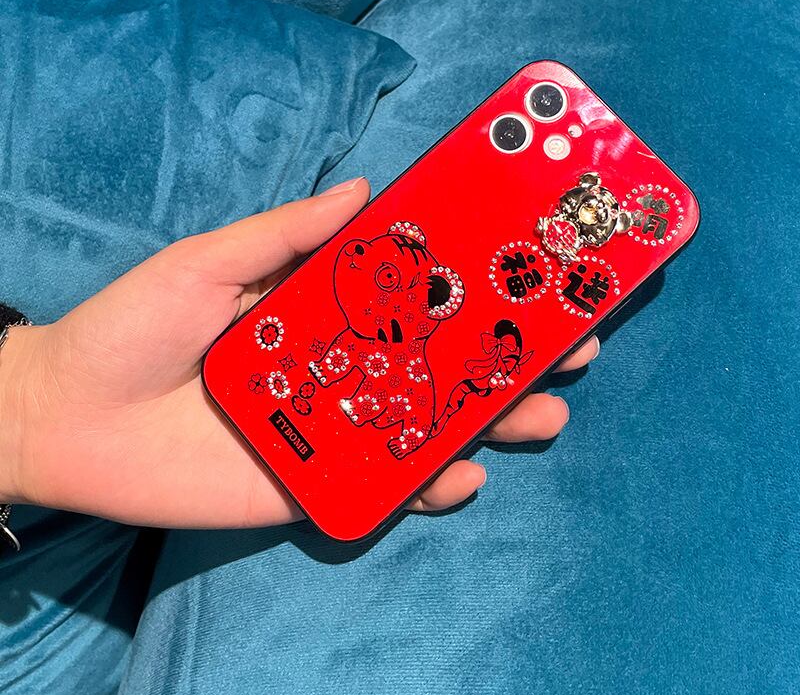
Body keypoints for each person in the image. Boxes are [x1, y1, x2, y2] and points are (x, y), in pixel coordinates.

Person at [0, 177, 597, 534]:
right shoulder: (362, 332)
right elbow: (338, 354)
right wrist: (26, 412)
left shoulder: (406, 362)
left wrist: (28, 406)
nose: (356, 260)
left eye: (389, 277)